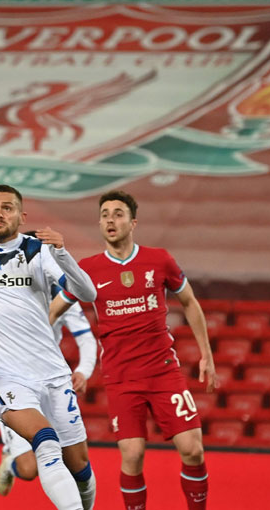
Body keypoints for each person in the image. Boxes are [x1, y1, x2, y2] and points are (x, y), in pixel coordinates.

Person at [53, 190, 218, 510]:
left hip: (163, 372)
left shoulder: (159, 260)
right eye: (104, 214)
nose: (110, 220)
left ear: (133, 222)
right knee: (132, 455)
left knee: (193, 449)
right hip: (121, 377)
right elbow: (54, 309)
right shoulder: (87, 269)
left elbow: (190, 302)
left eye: (117, 213)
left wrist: (206, 355)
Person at [0, 185, 98, 510]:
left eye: (7, 207)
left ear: (22, 216)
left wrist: (63, 253)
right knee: (45, 445)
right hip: (3, 375)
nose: (0, 213)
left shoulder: (39, 250)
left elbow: (87, 294)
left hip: (52, 373)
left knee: (80, 467)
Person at [0, 280, 98, 497]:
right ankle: (11, 460)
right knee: (28, 469)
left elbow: (86, 338)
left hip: (51, 382)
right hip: (12, 382)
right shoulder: (4, 287)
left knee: (75, 462)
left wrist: (83, 370)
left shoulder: (61, 292)